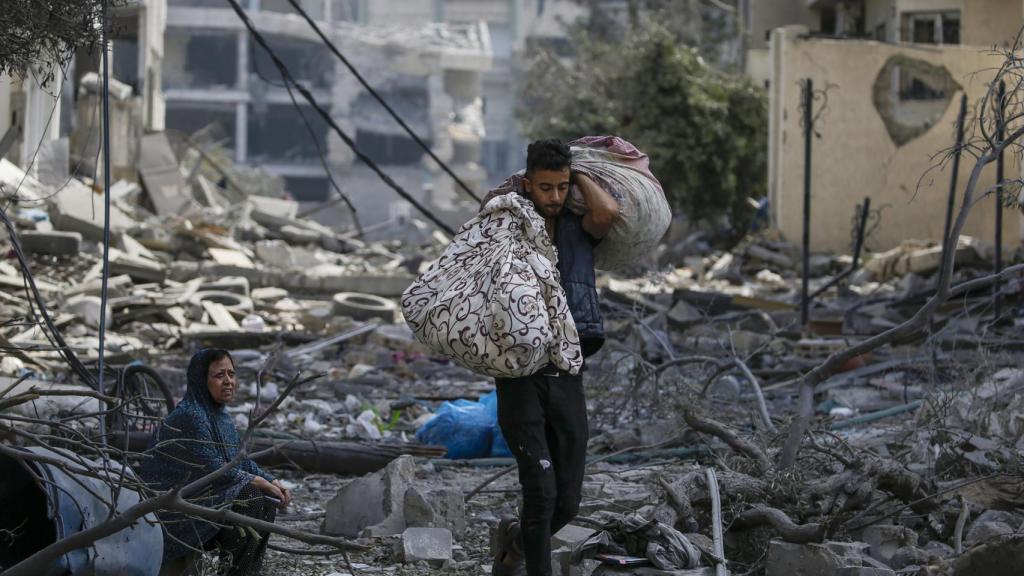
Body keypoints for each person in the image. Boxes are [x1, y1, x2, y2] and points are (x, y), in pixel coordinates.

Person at [490, 139, 620, 576]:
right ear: (528, 184)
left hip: (568, 366)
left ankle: (515, 544)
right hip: (520, 370)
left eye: (562, 187)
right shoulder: (509, 222)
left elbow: (609, 215)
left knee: (567, 502)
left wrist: (579, 171)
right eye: (545, 187)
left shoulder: (578, 226)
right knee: (541, 492)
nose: (555, 197)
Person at [139, 348, 291, 575]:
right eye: (220, 376)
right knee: (250, 496)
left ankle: (245, 572)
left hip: (203, 502)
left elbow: (239, 460)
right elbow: (215, 469)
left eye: (231, 374)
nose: (229, 381)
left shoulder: (220, 416)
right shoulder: (191, 415)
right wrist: (260, 482)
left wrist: (273, 481)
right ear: (201, 380)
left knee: (265, 500)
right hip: (172, 514)